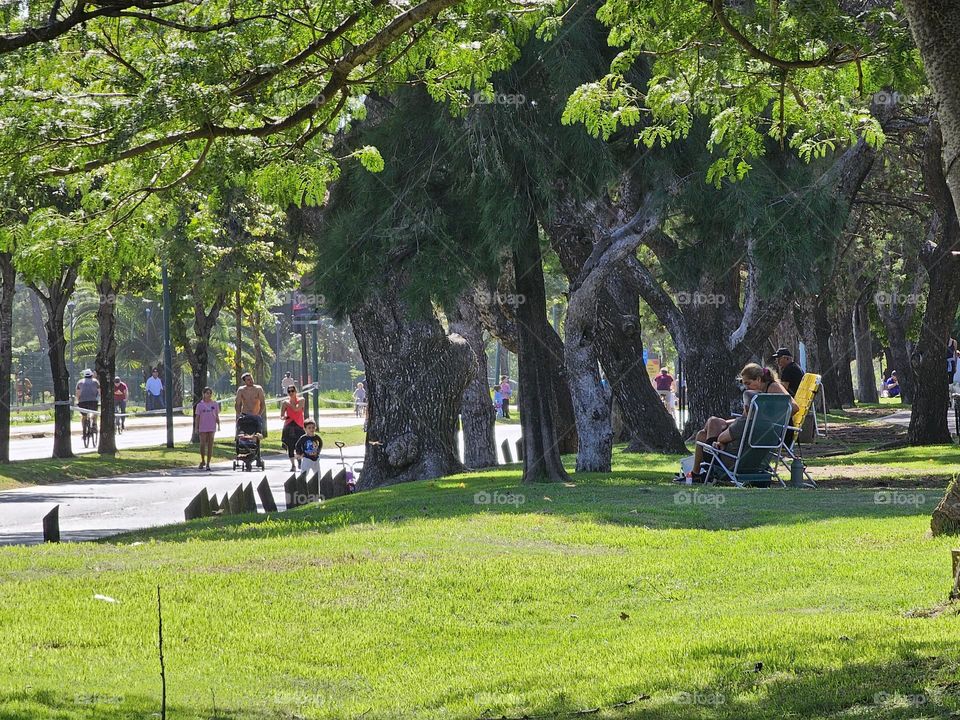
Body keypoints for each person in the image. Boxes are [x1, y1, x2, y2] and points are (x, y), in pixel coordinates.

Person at [690, 363, 799, 482]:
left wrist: (768, 417)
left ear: (758, 379)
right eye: (744, 384)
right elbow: (744, 417)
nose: (746, 387)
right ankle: (698, 472)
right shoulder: (752, 395)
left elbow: (793, 407)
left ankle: (710, 464)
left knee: (709, 430)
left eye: (748, 383)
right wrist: (725, 424)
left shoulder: (773, 387)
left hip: (769, 432)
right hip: (753, 428)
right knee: (711, 424)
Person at [193, 387, 220, 471]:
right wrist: (196, 428)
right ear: (203, 394)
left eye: (210, 393)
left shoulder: (214, 404)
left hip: (211, 426)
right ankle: (202, 460)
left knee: (210, 445)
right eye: (207, 393)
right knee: (202, 444)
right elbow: (197, 417)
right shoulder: (200, 405)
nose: (209, 395)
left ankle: (208, 463)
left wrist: (219, 424)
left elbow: (216, 415)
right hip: (203, 427)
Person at [281, 385, 306, 471]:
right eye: (289, 391)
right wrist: (283, 417)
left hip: (298, 425)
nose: (291, 393)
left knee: (299, 445)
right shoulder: (285, 402)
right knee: (290, 446)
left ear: (296, 391)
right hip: (289, 425)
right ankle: (293, 465)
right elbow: (282, 414)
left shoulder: (301, 400)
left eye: (293, 391)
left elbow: (296, 409)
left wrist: (288, 403)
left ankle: (299, 460)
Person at [75, 369, 100, 438]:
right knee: (95, 413)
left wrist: (78, 400)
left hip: (82, 402)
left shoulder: (79, 382)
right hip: (93, 401)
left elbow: (78, 393)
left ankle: (84, 431)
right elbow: (99, 391)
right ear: (91, 375)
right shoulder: (95, 382)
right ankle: (94, 424)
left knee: (84, 416)